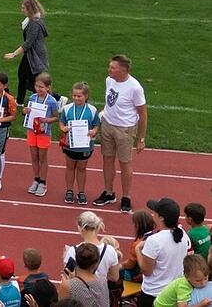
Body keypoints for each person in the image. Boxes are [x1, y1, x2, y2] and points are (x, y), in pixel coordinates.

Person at [93, 54, 148, 213]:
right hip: (108, 125)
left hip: (125, 129)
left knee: (125, 163)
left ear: (123, 70)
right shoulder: (109, 80)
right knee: (107, 160)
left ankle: (126, 196)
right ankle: (108, 192)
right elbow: (110, 102)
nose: (109, 69)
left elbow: (143, 113)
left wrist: (141, 138)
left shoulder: (135, 88)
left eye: (112, 67)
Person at [137, 198, 192, 306]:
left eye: (155, 212)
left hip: (154, 294)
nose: (153, 214)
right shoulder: (182, 233)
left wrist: (138, 250)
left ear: (161, 217)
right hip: (174, 293)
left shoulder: (154, 240)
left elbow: (146, 271)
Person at [3, 0, 52, 106]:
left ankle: (54, 99)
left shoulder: (33, 23)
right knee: (22, 75)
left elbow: (28, 44)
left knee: (33, 83)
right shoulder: (34, 20)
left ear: (30, 9)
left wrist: (14, 54)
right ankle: (19, 101)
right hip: (31, 54)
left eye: (24, 8)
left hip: (34, 55)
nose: (22, 10)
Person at [58, 82, 100, 204]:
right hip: (70, 145)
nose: (76, 98)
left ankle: (81, 191)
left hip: (85, 145)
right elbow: (61, 122)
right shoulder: (67, 109)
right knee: (70, 167)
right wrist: (63, 128)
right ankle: (69, 190)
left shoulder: (92, 110)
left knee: (82, 168)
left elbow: (97, 125)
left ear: (86, 96)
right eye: (74, 95)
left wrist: (93, 131)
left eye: (79, 96)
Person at [22, 73, 59, 197]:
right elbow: (26, 111)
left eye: (41, 87)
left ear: (48, 88)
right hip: (32, 130)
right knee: (34, 157)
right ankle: (36, 179)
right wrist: (24, 111)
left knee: (42, 158)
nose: (38, 89)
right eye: (37, 86)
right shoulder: (32, 97)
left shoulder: (52, 101)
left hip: (44, 133)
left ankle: (43, 182)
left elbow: (56, 117)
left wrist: (47, 120)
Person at [62, 212, 120, 285]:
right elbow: (114, 277)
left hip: (80, 292)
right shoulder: (110, 250)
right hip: (101, 291)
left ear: (81, 228)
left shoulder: (73, 251)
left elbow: (67, 277)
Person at [121, 210, 156, 282]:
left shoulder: (138, 244)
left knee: (115, 273)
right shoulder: (155, 237)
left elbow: (130, 265)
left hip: (138, 275)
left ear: (138, 226)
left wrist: (119, 266)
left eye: (134, 224)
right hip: (154, 272)